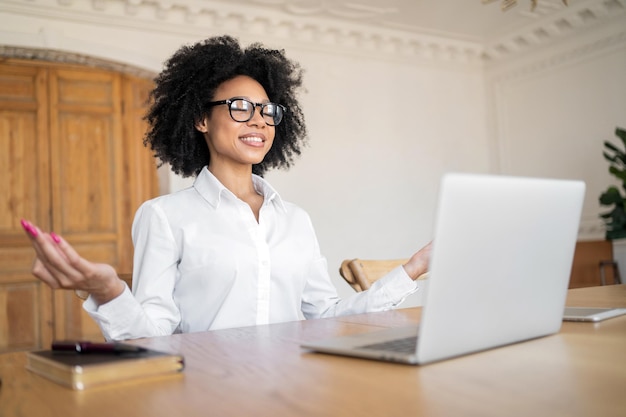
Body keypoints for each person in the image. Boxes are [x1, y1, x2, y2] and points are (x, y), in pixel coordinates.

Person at [20, 35, 431, 341]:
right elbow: (151, 337)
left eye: (267, 111)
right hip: (207, 392)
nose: (259, 121)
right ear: (201, 119)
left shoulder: (295, 220)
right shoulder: (163, 217)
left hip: (294, 386)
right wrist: (110, 292)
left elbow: (327, 315)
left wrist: (412, 269)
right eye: (240, 108)